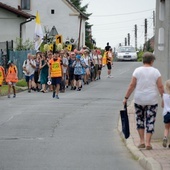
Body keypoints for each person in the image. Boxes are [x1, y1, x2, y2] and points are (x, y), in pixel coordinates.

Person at [123, 52, 164, 150]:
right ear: (151, 61)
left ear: (143, 60)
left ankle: (141, 141)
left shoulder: (137, 71)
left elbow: (132, 85)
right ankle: (148, 142)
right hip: (152, 100)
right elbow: (160, 86)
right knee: (150, 120)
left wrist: (126, 98)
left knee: (139, 120)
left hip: (139, 99)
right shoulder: (156, 72)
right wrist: (163, 97)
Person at [161, 80, 170, 148]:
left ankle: (165, 138)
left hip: (166, 114)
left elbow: (162, 105)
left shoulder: (164, 96)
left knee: (166, 128)